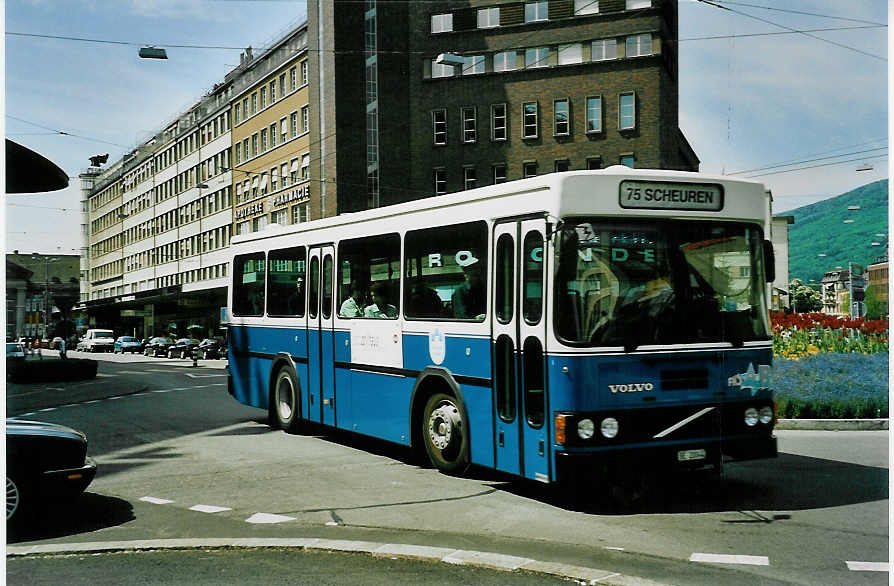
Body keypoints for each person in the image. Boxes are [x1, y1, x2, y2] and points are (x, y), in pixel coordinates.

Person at [452, 255, 485, 319]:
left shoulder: (482, 288)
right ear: (465, 273)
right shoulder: (459, 291)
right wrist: (476, 319)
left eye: (477, 269)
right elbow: (460, 317)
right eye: (472, 269)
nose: (476, 271)